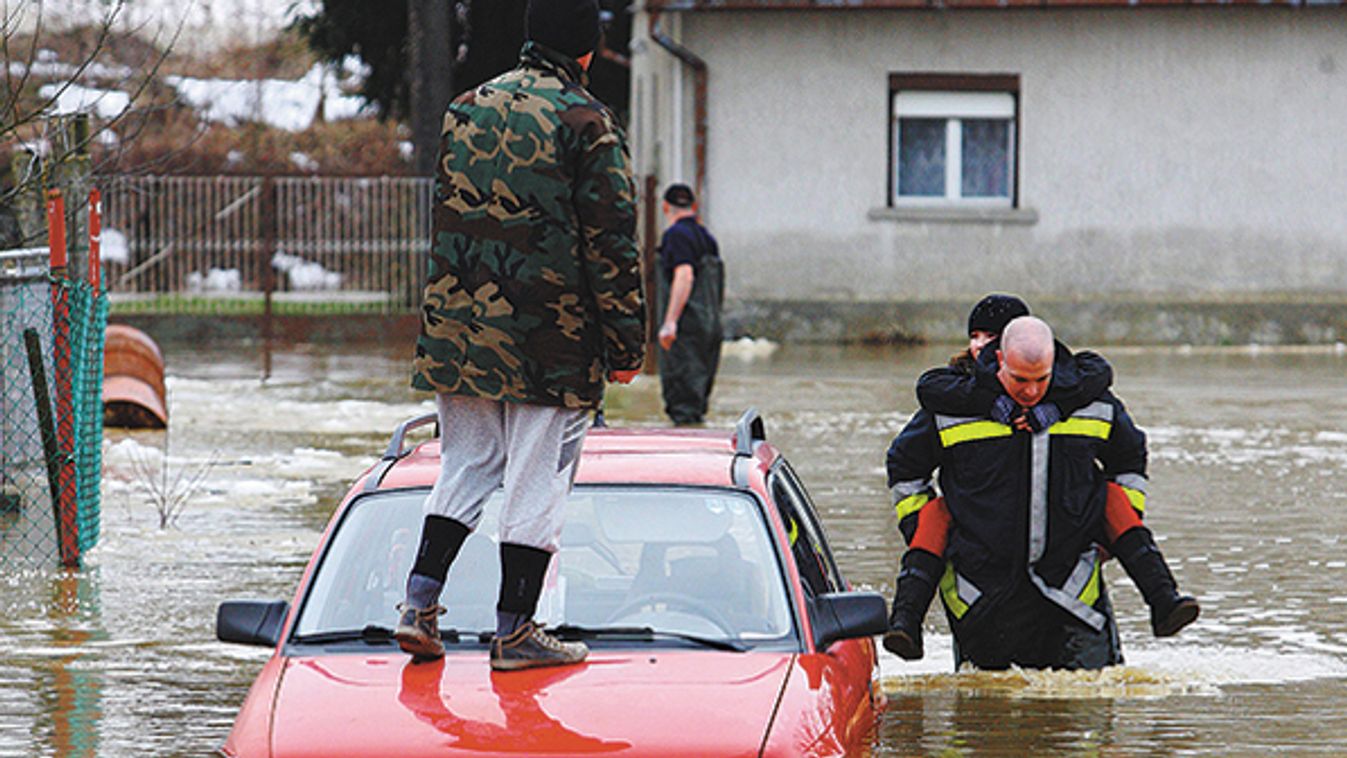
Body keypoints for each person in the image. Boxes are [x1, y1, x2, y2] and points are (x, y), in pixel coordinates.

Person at [396, 0, 646, 671]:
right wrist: (625, 347)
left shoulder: (465, 105)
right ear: (587, 48)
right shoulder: (585, 122)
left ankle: (418, 607)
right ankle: (515, 632)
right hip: (550, 337)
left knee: (466, 464)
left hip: (459, 327)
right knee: (537, 479)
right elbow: (611, 245)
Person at [884, 316, 1198, 670]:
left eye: (1041, 380)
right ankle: (905, 621)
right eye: (1020, 380)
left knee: (1091, 709)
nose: (1031, 392)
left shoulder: (1092, 401)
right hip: (985, 597)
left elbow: (1129, 459)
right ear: (1000, 360)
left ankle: (1164, 599)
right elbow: (905, 467)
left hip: (1073, 593)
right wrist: (924, 529)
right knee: (985, 711)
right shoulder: (952, 406)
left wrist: (1115, 532)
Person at [655, 183, 724, 426]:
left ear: (665, 207)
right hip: (710, 327)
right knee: (697, 403)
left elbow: (685, 275)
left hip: (686, 330)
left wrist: (670, 322)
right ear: (693, 207)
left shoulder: (675, 236)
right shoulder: (707, 237)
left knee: (682, 406)